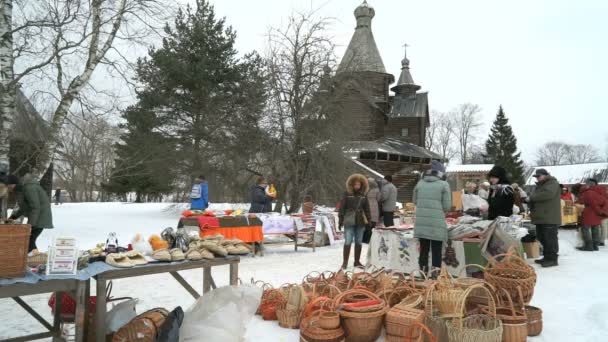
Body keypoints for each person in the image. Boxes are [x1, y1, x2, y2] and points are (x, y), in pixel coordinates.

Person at [413, 161, 451, 272]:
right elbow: (447, 206)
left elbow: (414, 201)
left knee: (423, 249)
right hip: (436, 223)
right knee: (436, 250)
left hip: (422, 222)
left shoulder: (420, 183)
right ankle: (435, 276)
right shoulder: (444, 184)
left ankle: (423, 272)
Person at [7, 174, 54, 254]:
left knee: (29, 240)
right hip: (37, 217)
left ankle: (35, 259)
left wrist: (30, 225)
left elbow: (35, 207)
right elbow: (24, 207)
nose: (8, 188)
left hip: (40, 218)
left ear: (13, 184)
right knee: (28, 240)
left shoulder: (29, 188)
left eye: (9, 186)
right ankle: (30, 259)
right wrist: (13, 217)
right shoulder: (24, 189)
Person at [528, 168, 561, 267]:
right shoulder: (541, 185)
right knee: (542, 237)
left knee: (550, 239)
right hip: (542, 217)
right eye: (536, 177)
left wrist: (531, 197)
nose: (537, 178)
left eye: (539, 176)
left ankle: (552, 259)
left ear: (545, 175)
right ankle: (547, 257)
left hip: (549, 217)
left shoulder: (552, 183)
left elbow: (548, 194)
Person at [338, 174, 371, 269]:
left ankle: (356, 262)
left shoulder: (363, 196)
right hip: (349, 220)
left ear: (361, 185)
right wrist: (340, 220)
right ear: (352, 184)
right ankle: (345, 262)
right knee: (348, 241)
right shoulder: (346, 194)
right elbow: (342, 207)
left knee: (359, 242)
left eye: (359, 184)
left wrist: (369, 221)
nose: (357, 186)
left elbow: (367, 209)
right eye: (355, 184)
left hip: (360, 221)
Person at [576, 179, 608, 251]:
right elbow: (604, 202)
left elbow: (581, 201)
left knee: (585, 229)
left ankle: (588, 246)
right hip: (596, 214)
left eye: (586, 184)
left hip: (587, 212)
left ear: (588, 185)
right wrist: (600, 211)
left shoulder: (588, 193)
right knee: (595, 229)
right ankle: (595, 245)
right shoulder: (599, 193)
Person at [364, 178, 381, 243]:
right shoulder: (377, 190)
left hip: (366, 206)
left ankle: (365, 238)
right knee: (373, 223)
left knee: (366, 223)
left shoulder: (365, 189)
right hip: (374, 206)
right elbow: (379, 198)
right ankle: (370, 238)